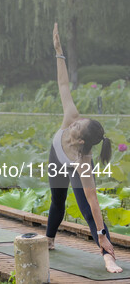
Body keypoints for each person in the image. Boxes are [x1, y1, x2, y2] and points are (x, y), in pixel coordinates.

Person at [45, 23, 122, 273]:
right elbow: (63, 85)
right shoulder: (71, 116)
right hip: (56, 158)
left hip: (73, 166)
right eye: (78, 121)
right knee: (58, 202)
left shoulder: (84, 163)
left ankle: (107, 254)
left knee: (88, 210)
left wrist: (101, 234)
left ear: (80, 141)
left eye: (77, 127)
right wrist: (59, 52)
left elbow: (95, 203)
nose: (74, 123)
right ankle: (49, 240)